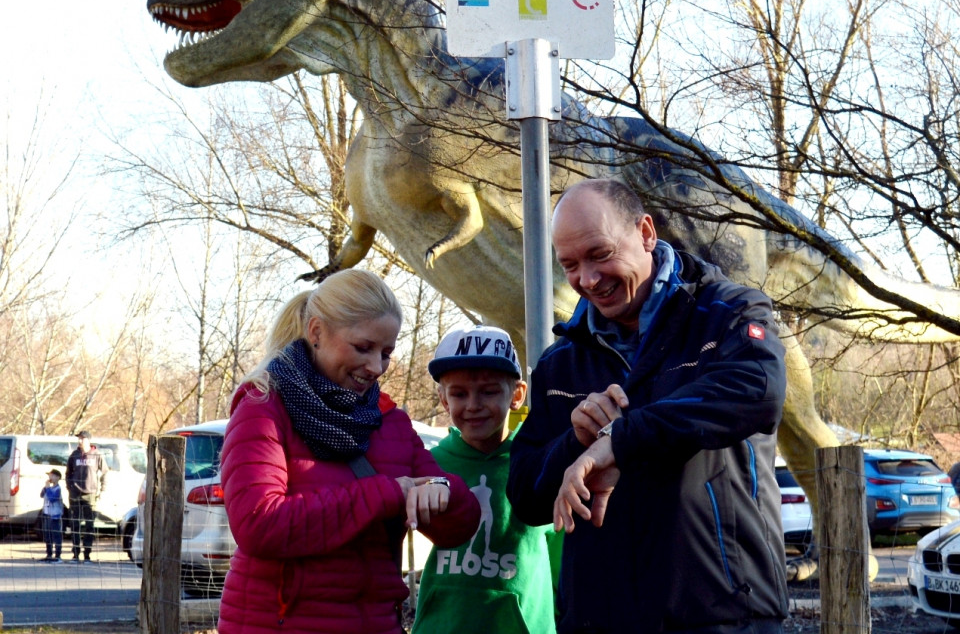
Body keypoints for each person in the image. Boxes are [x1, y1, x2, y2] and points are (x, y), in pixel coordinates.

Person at [507, 178, 789, 634]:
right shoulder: (560, 362)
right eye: (570, 265)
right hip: (599, 620)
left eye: (600, 255)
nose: (588, 279)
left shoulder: (727, 312)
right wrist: (576, 442)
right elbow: (525, 497)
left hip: (724, 615)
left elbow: (758, 390)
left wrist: (621, 438)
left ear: (645, 233)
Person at [217, 268, 481, 634]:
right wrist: (388, 493)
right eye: (363, 347)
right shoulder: (263, 407)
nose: (376, 367)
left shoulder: (389, 421)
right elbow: (259, 524)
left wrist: (444, 493)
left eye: (386, 353)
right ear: (316, 332)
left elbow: (461, 523)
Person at [412, 325, 558, 634]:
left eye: (489, 391)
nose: (473, 405)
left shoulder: (540, 464)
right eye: (459, 393)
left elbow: (563, 562)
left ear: (517, 394)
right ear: (442, 399)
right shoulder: (427, 465)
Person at [65, 429, 108, 563]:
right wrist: (70, 487)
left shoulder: (97, 455)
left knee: (89, 525)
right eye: (78, 438)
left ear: (88, 440)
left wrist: (102, 489)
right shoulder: (74, 455)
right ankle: (76, 553)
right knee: (75, 524)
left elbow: (105, 472)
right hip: (75, 493)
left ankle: (87, 554)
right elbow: (68, 473)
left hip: (90, 493)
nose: (80, 441)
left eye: (82, 438)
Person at [38, 468, 65, 563]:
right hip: (47, 513)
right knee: (47, 535)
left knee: (56, 535)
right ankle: (49, 553)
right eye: (49, 475)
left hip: (55, 515)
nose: (50, 477)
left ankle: (58, 555)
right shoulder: (48, 487)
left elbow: (53, 498)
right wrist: (45, 487)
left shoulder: (58, 488)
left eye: (52, 475)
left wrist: (48, 488)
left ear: (57, 477)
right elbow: (41, 495)